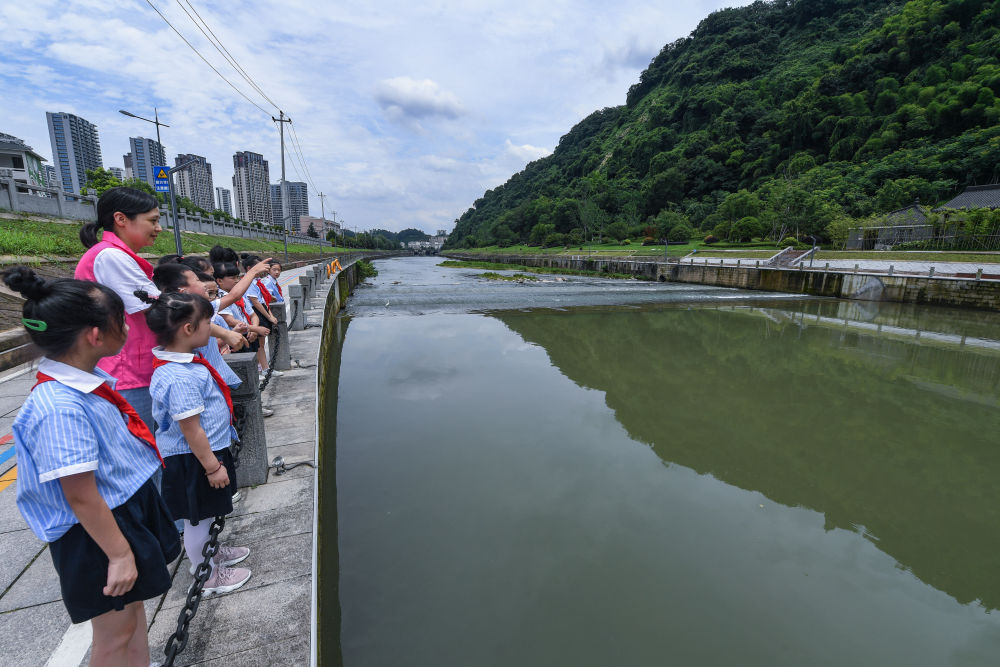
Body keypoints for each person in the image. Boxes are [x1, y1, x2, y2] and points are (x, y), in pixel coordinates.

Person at [4, 267, 179, 666]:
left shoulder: (88, 381)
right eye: (121, 320)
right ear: (95, 335)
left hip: (118, 514)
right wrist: (118, 555)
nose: (130, 328)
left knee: (132, 617)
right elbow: (80, 495)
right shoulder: (59, 407)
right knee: (114, 635)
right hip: (97, 534)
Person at [139, 290, 252, 596]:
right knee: (197, 519)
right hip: (195, 459)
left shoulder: (186, 364)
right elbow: (191, 429)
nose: (211, 328)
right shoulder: (180, 377)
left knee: (206, 514)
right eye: (207, 323)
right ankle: (208, 576)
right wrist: (213, 467)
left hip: (203, 455)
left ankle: (213, 554)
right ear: (188, 329)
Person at [75, 187, 163, 431]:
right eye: (153, 220)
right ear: (121, 219)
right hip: (128, 374)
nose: (159, 228)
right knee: (144, 457)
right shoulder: (111, 257)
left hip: (133, 369)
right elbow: (160, 308)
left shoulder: (113, 255)